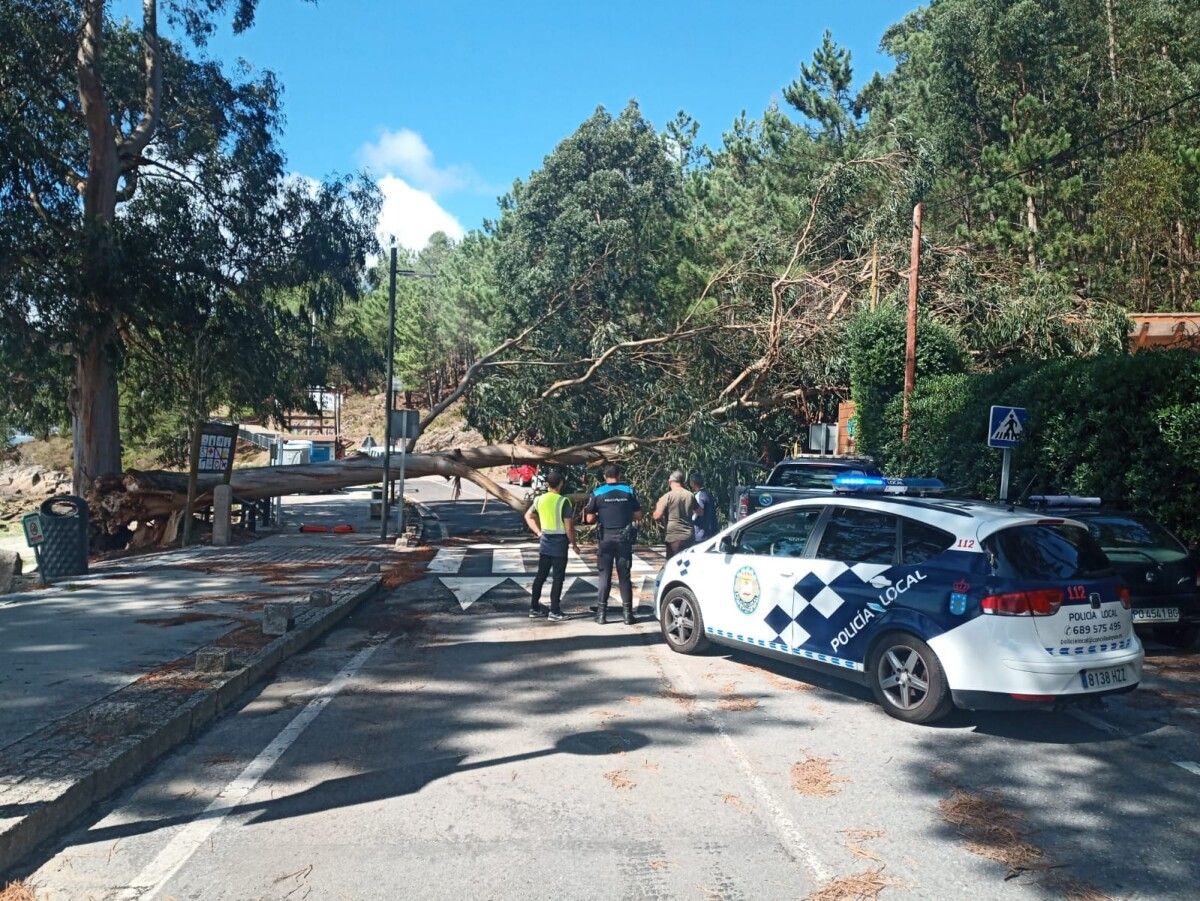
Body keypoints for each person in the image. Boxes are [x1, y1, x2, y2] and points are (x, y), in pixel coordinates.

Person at [583, 463, 643, 625]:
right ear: (620, 475)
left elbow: (589, 519)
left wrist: (599, 516)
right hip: (623, 538)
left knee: (604, 575)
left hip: (605, 538)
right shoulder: (629, 491)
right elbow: (638, 515)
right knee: (624, 576)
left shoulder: (597, 492)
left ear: (604, 476)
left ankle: (601, 615)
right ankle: (627, 615)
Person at [523, 468, 580, 621]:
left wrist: (539, 532)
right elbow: (569, 526)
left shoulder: (539, 499)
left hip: (545, 541)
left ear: (547, 484)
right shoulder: (563, 501)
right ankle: (554, 610)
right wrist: (574, 544)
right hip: (560, 543)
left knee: (541, 575)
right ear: (561, 484)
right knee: (557, 578)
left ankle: (534, 607)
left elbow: (528, 516)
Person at [653, 470, 696, 559]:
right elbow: (700, 511)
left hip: (674, 536)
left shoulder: (667, 496)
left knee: (673, 565)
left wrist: (657, 507)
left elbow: (657, 516)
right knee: (687, 564)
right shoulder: (690, 495)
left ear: (670, 481)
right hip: (689, 536)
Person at [689, 471, 718, 543]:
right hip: (710, 533)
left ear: (693, 483)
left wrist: (690, 519)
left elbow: (699, 512)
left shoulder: (699, 495)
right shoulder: (708, 494)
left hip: (701, 535)